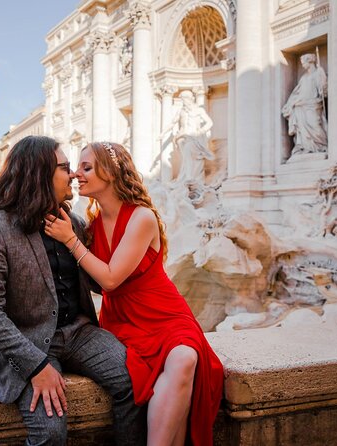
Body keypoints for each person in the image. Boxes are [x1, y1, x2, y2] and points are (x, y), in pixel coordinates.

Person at [0, 136, 145, 446]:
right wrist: (36, 365)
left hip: (79, 333)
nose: (74, 174)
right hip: (27, 341)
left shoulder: (73, 223)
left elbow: (104, 279)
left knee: (137, 383)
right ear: (39, 174)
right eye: (65, 167)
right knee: (49, 433)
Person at [44, 142, 224, 446]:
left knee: (184, 358)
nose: (76, 174)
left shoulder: (141, 217)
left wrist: (71, 242)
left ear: (111, 172)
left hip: (163, 314)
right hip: (122, 319)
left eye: (86, 167)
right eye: (76, 167)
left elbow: (111, 279)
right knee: (174, 373)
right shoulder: (93, 224)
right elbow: (95, 281)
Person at [159, 90, 214, 185]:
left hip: (194, 137)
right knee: (186, 156)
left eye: (183, 99)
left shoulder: (199, 110)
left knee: (191, 154)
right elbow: (172, 123)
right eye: (182, 100)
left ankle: (190, 176)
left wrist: (200, 131)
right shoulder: (181, 111)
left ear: (189, 99)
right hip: (182, 137)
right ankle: (187, 176)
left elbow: (209, 122)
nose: (183, 102)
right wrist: (163, 133)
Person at [281, 53, 328, 156]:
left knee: (315, 125)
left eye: (303, 63)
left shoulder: (319, 72)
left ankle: (321, 146)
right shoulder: (304, 77)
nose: (302, 65)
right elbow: (297, 92)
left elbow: (323, 89)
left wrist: (323, 88)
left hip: (314, 104)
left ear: (310, 61)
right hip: (301, 105)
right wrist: (292, 103)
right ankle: (305, 147)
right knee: (302, 127)